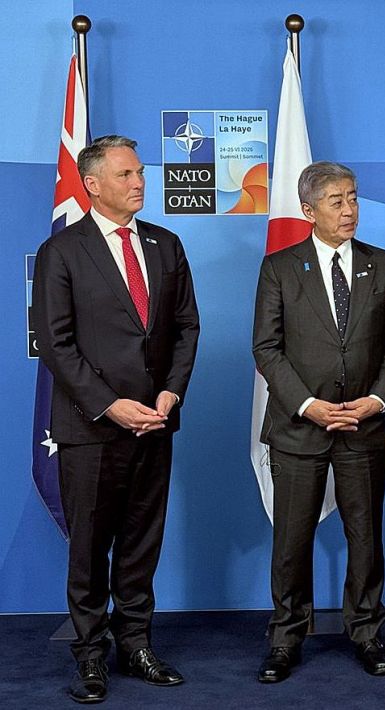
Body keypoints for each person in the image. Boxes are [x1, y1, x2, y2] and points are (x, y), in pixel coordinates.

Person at [33, 135, 201, 703]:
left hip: (154, 422)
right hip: (91, 428)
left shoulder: (165, 244)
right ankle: (90, 655)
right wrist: (110, 405)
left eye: (140, 172)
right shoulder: (62, 251)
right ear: (92, 184)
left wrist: (170, 393)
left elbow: (186, 328)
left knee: (140, 543)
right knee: (88, 548)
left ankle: (136, 645)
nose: (139, 182)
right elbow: (56, 344)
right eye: (126, 174)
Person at [252, 161, 385, 683]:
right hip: (300, 427)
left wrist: (377, 400)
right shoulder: (279, 268)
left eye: (353, 198)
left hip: (364, 426)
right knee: (291, 540)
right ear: (308, 210)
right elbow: (267, 348)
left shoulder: (383, 265)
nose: (349, 210)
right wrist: (307, 405)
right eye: (336, 201)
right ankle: (285, 637)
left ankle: (366, 631)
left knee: (365, 537)